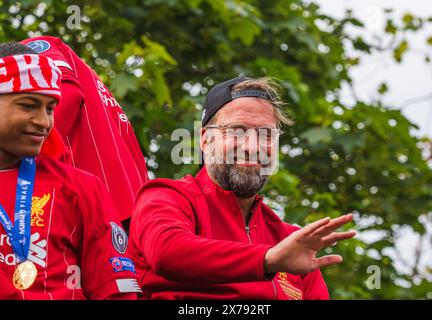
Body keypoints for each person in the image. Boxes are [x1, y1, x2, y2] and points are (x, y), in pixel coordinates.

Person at [129, 76, 356, 300]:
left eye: (266, 134)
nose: (252, 146)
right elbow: (167, 252)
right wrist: (267, 259)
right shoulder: (166, 197)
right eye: (236, 130)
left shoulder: (291, 240)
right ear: (205, 140)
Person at [0, 43, 141, 299]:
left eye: (50, 108)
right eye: (28, 105)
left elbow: (116, 292)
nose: (44, 122)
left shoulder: (81, 187)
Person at [19, 36, 149, 229]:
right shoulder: (87, 78)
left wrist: (28, 159)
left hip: (102, 206)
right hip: (129, 204)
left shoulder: (28, 50)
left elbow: (69, 94)